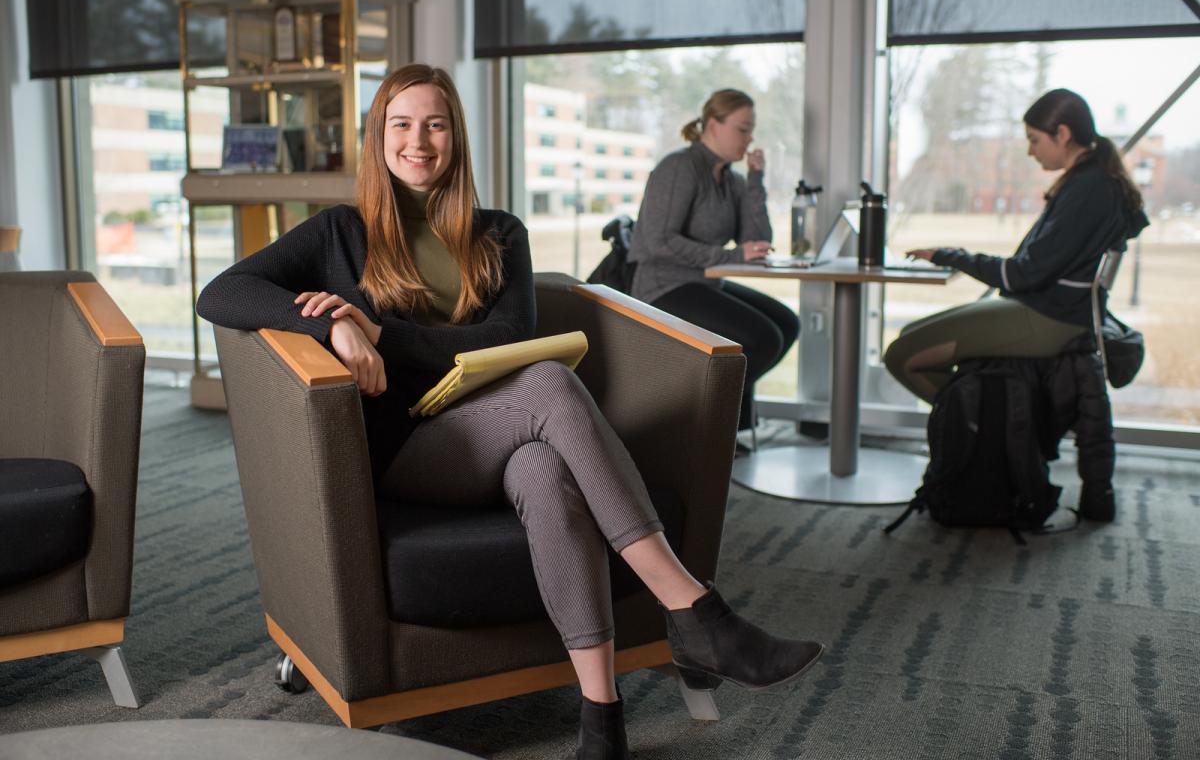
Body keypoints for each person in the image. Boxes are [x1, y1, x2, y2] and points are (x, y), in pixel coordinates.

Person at [196, 64, 824, 759]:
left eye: (434, 123)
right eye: (400, 124)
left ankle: (601, 722)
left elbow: (508, 342)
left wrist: (385, 335)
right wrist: (331, 326)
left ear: (455, 136)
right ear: (379, 137)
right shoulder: (340, 233)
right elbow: (221, 293)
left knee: (544, 468)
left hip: (500, 432)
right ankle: (694, 610)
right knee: (551, 384)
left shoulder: (499, 234)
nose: (418, 141)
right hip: (412, 454)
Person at [883, 88, 1149, 522]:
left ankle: (991, 434)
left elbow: (1022, 274)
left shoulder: (1089, 189)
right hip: (1050, 309)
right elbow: (1031, 269)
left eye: (1034, 139)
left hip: (1049, 317)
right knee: (908, 340)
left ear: (1062, 133)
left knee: (902, 356)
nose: (1030, 151)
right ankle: (988, 426)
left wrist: (952, 255)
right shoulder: (1092, 180)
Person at [628, 89, 799, 443]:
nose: (749, 138)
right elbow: (659, 241)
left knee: (787, 324)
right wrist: (732, 257)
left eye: (751, 130)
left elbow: (758, 239)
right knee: (762, 338)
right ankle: (709, 429)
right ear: (712, 124)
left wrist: (755, 180)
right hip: (663, 287)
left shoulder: (732, 179)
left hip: (704, 282)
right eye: (742, 129)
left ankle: (720, 424)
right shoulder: (679, 168)